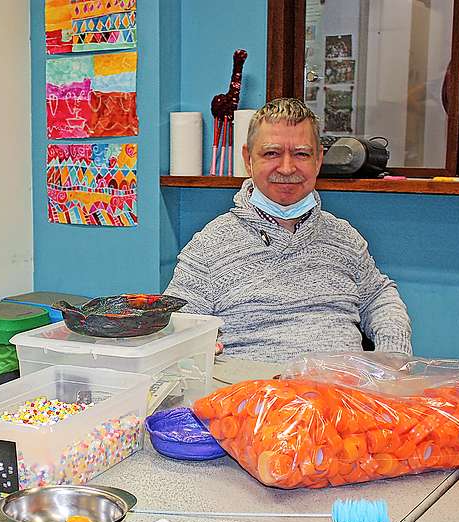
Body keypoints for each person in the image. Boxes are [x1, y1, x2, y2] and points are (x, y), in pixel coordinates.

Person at [165, 98, 412, 363]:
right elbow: (177, 325)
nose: (286, 168)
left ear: (318, 160)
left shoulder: (345, 238)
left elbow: (378, 297)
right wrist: (192, 346)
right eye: (271, 153)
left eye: (301, 154)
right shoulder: (208, 247)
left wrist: (392, 355)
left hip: (342, 394)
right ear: (248, 159)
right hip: (251, 397)